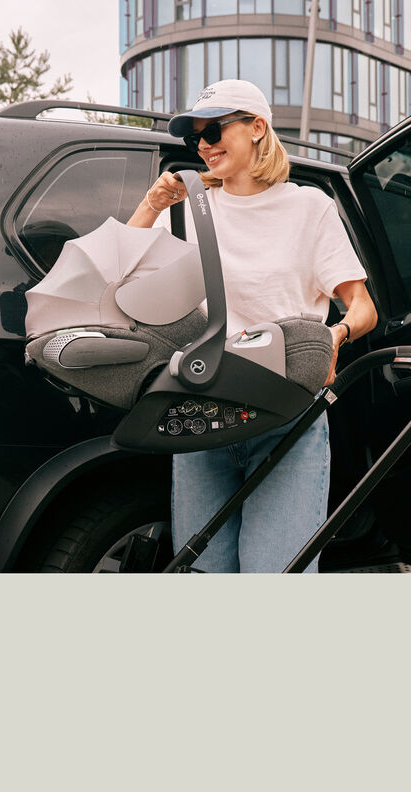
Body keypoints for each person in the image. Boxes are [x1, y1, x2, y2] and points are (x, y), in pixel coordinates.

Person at [127, 79, 378, 573]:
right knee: (206, 578)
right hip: (200, 407)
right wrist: (151, 205)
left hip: (286, 414)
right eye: (194, 136)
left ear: (257, 128)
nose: (203, 144)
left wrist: (333, 336)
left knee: (276, 578)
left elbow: (362, 306)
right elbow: (118, 274)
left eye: (215, 128)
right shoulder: (188, 209)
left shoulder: (309, 208)